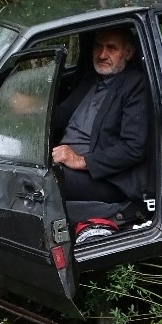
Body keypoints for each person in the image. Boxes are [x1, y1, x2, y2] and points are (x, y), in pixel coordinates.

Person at [51, 28, 151, 212]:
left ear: (128, 53)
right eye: (98, 46)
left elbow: (134, 147)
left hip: (106, 179)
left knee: (39, 182)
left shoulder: (136, 85)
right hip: (64, 163)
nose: (102, 54)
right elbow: (61, 115)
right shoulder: (92, 80)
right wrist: (30, 109)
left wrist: (81, 161)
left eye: (111, 48)